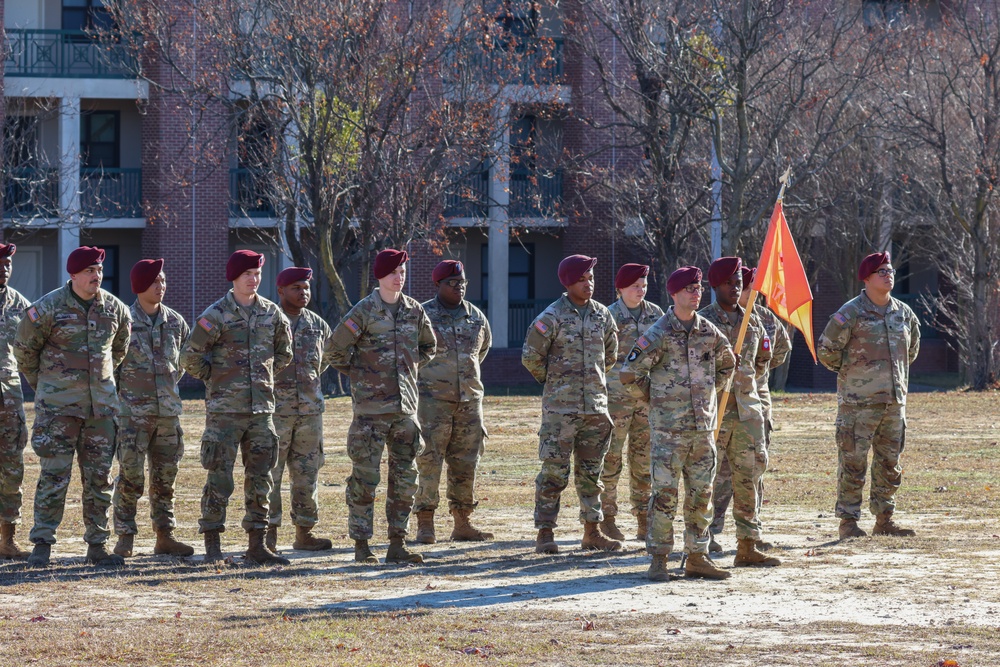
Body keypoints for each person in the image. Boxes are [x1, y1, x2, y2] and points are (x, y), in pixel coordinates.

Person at [15, 246, 132, 567]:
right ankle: (42, 544)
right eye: (89, 271)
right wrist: (48, 387)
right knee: (54, 476)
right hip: (58, 410)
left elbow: (119, 351)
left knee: (100, 479)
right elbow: (24, 350)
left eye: (99, 270)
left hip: (101, 413)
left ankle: (98, 545)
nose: (96, 276)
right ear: (74, 275)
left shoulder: (115, 309)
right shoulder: (48, 308)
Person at [620, 266, 735, 581]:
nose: (696, 293)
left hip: (702, 431)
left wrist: (711, 391)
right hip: (669, 432)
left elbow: (728, 363)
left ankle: (697, 555)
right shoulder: (657, 333)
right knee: (665, 495)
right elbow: (628, 374)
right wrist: (654, 399)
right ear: (674, 293)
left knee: (701, 494)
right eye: (689, 289)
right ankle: (658, 559)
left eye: (698, 289)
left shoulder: (708, 331)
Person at [181, 249, 293, 565]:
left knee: (262, 479)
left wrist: (263, 377)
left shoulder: (272, 314)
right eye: (248, 275)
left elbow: (284, 354)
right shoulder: (216, 315)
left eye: (257, 274)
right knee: (219, 478)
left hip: (262, 413)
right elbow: (190, 357)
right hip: (224, 413)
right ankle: (213, 545)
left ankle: (257, 544)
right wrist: (217, 380)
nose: (254, 280)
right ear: (235, 278)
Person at [329, 249, 436, 565]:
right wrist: (363, 374)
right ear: (380, 276)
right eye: (393, 272)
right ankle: (361, 545)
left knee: (405, 479)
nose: (398, 277)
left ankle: (397, 543)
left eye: (402, 271)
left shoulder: (414, 310)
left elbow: (428, 347)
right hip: (370, 412)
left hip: (405, 410)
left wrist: (406, 368)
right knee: (365, 478)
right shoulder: (363, 312)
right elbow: (335, 351)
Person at [818, 251, 920, 539]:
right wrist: (856, 376)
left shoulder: (903, 313)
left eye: (890, 270)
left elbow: (910, 352)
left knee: (890, 464)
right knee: (853, 464)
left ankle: (885, 519)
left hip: (894, 403)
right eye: (881, 272)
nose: (888, 275)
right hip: (857, 405)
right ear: (866, 278)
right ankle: (848, 522)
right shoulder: (850, 313)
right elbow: (827, 351)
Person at [522, 254, 620, 554]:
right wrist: (556, 384)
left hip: (596, 410)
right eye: (582, 279)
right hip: (560, 412)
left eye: (591, 278)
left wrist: (593, 385)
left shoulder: (603, 315)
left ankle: (592, 531)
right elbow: (531, 357)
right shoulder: (550, 317)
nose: (588, 284)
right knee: (554, 472)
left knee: (592, 473)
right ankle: (545, 533)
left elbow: (611, 355)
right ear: (568, 283)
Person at [699, 256, 780, 567]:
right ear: (715, 285)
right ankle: (702, 541)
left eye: (739, 283)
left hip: (747, 412)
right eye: (729, 283)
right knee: (707, 479)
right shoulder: (703, 321)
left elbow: (763, 361)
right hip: (714, 412)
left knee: (748, 479)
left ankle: (747, 545)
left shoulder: (753, 320)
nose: (735, 288)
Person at [112, 259, 194, 558]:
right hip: (132, 415)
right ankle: (125, 537)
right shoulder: (123, 320)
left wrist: (165, 393)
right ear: (139, 286)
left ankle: (165, 535)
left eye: (163, 281)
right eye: (155, 281)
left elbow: (181, 364)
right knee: (130, 477)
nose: (161, 286)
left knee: (165, 479)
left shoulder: (176, 322)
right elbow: (111, 368)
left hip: (168, 416)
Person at [413, 260, 493, 544]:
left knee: (466, 463)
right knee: (428, 461)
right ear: (437, 285)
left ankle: (463, 522)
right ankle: (425, 522)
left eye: (462, 283)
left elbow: (481, 351)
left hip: (469, 402)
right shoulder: (421, 315)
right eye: (451, 283)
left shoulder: (476, 317)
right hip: (432, 402)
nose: (458, 288)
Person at [266, 267, 335, 553]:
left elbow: (325, 360)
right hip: (275, 411)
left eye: (306, 287)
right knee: (271, 473)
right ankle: (267, 536)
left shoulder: (318, 325)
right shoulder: (267, 322)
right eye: (296, 287)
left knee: (307, 472)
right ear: (281, 291)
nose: (302, 292)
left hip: (309, 412)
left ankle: (305, 532)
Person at [600, 263, 663, 542]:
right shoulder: (608, 316)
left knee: (644, 460)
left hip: (647, 399)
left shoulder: (657, 315)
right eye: (635, 286)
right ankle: (608, 518)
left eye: (644, 285)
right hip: (615, 399)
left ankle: (643, 518)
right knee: (610, 459)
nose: (641, 290)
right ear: (620, 289)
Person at [0, 244, 32, 560]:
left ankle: (7, 539)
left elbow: (33, 349)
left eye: (8, 264)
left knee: (12, 469)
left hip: (9, 400)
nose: (4, 269)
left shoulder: (20, 306)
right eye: (0, 263)